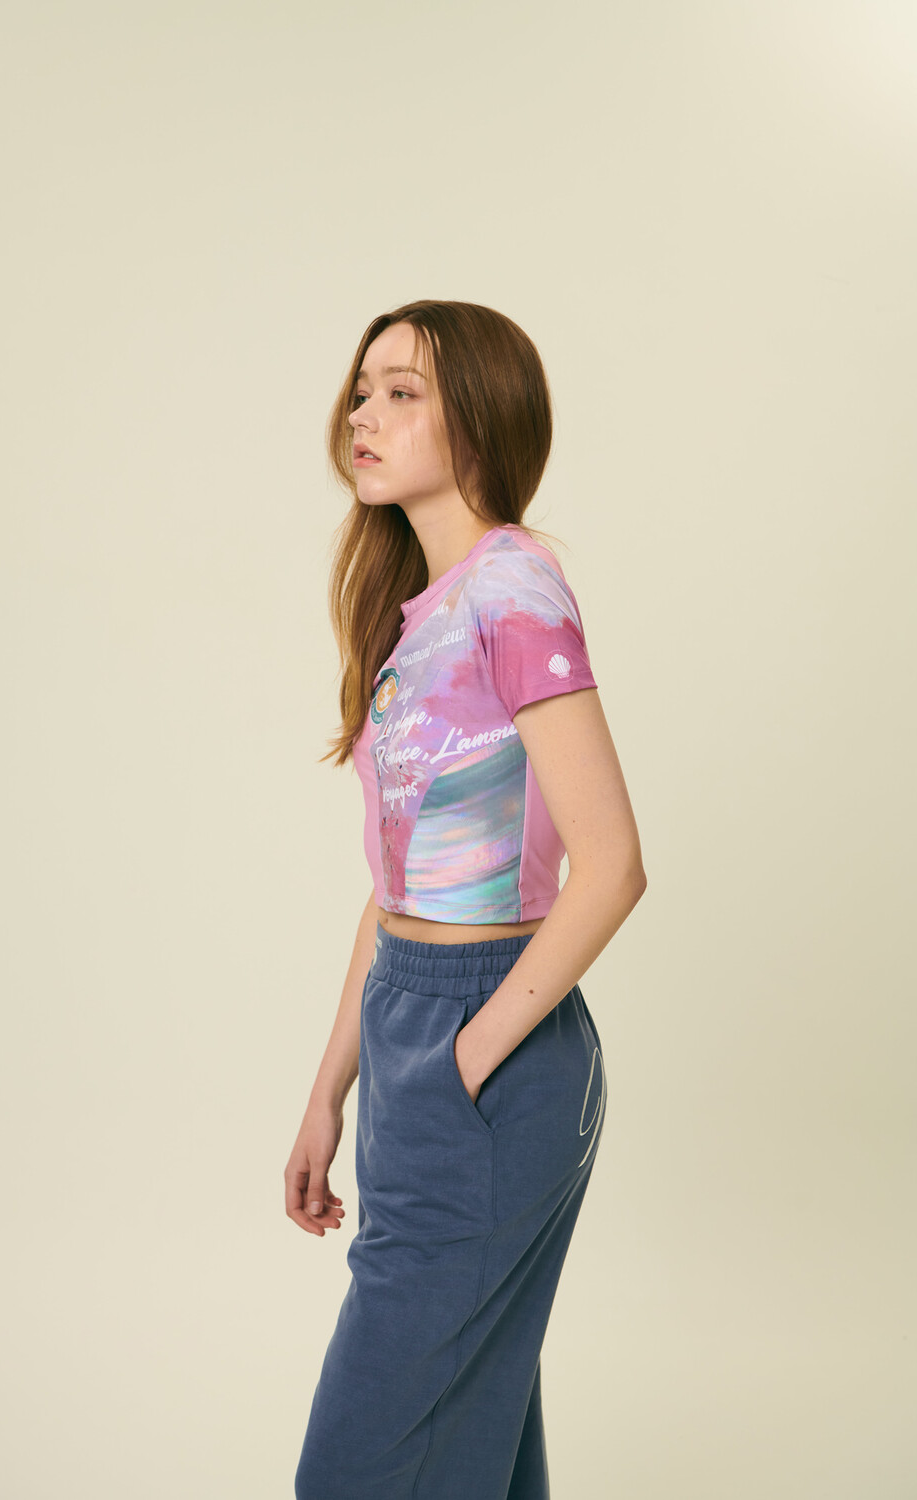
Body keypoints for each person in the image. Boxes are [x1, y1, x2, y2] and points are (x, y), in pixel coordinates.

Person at [287, 299, 647, 1499]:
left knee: (359, 1471)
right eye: (361, 389)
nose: (363, 414)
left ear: (482, 418)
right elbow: (393, 892)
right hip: (410, 1023)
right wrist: (330, 1094)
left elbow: (611, 863)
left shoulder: (513, 588)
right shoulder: (423, 615)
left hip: (484, 1041)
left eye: (402, 392)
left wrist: (467, 1058)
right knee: (475, 1450)